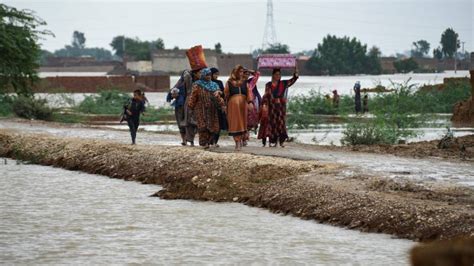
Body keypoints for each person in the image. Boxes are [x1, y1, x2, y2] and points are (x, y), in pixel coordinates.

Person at [258, 68, 299, 147]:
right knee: (272, 123)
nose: (278, 76)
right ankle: (272, 141)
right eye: (276, 74)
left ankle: (281, 141)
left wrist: (295, 75)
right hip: (271, 107)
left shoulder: (283, 83)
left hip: (280, 107)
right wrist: (264, 105)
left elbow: (292, 81)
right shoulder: (268, 84)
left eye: (279, 75)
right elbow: (266, 96)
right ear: (273, 75)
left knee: (281, 123)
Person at [188, 68, 226, 149]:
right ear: (203, 75)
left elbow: (219, 97)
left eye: (209, 75)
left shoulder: (214, 85)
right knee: (203, 126)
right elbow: (193, 97)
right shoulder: (197, 85)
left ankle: (209, 142)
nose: (208, 77)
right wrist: (190, 107)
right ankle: (204, 143)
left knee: (213, 127)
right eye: (206, 75)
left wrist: (222, 105)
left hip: (212, 109)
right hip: (200, 108)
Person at [224, 65, 259, 151]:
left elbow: (249, 93)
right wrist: (224, 105)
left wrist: (250, 102)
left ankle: (241, 141)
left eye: (241, 72)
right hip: (233, 106)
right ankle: (237, 143)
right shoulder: (229, 83)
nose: (241, 74)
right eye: (239, 72)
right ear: (235, 72)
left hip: (243, 106)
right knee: (235, 124)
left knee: (242, 123)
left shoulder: (245, 83)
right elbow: (226, 95)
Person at [181, 68, 202, 146]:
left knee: (198, 121)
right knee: (189, 121)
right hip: (190, 101)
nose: (200, 74)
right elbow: (186, 75)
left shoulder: (201, 82)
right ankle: (190, 140)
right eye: (199, 73)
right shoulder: (189, 81)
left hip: (198, 102)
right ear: (195, 74)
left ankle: (202, 140)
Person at [166, 73, 187, 145]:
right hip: (179, 106)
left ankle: (189, 139)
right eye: (185, 76)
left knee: (188, 123)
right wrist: (174, 95)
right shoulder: (179, 84)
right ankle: (184, 140)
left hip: (188, 106)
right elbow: (172, 92)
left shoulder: (192, 84)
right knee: (180, 123)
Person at [243, 68, 261, 146]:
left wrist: (250, 71)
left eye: (248, 74)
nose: (247, 75)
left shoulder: (251, 82)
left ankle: (245, 138)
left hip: (251, 103)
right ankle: (243, 138)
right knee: (242, 121)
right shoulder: (239, 82)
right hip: (241, 103)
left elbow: (257, 74)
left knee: (249, 122)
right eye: (245, 73)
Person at [210, 67, 227, 147]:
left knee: (219, 124)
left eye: (217, 74)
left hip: (219, 105)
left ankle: (215, 141)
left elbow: (223, 93)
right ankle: (210, 141)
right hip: (210, 106)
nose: (216, 76)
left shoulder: (219, 82)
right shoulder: (207, 83)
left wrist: (223, 104)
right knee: (211, 123)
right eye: (215, 74)